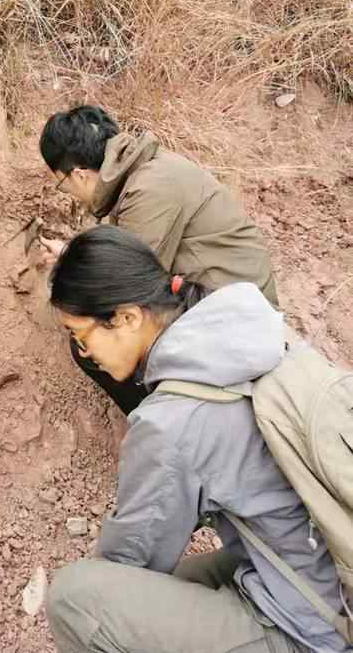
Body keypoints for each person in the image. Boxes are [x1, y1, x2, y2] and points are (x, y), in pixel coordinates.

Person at [46, 225, 349, 653]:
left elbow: (131, 560)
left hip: (311, 631)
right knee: (181, 581)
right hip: (330, 569)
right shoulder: (252, 337)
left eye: (82, 337)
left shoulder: (173, 419)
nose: (84, 352)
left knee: (78, 598)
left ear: (128, 318)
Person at [39, 105, 278, 414]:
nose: (69, 193)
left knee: (96, 338)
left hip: (237, 322)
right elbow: (128, 250)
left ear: (79, 174)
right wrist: (67, 254)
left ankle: (168, 420)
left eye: (64, 184)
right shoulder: (146, 173)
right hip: (228, 298)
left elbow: (119, 285)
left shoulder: (147, 190)